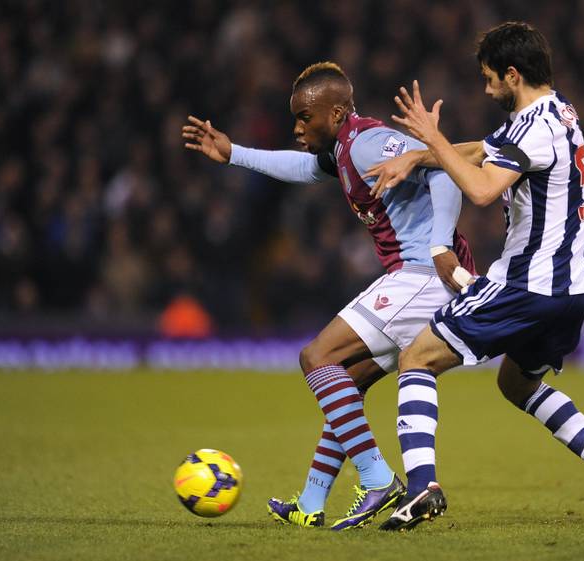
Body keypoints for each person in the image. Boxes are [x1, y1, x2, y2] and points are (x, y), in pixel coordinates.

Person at [366, 22, 584, 531]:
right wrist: (419, 156)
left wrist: (431, 137)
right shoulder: (557, 112)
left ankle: (422, 487)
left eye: (489, 78)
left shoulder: (533, 128)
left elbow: (479, 187)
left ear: (512, 75)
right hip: (572, 289)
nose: (486, 88)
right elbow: (482, 148)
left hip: (528, 286)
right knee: (517, 383)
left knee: (417, 358)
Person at [182, 61, 476, 530]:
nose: (297, 127)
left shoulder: (367, 142)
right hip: (418, 279)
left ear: (336, 113)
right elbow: (303, 167)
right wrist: (234, 152)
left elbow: (442, 166)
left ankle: (378, 479)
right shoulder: (343, 149)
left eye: (304, 117)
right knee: (349, 381)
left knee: (317, 357)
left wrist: (440, 244)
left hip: (421, 274)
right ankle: (311, 503)